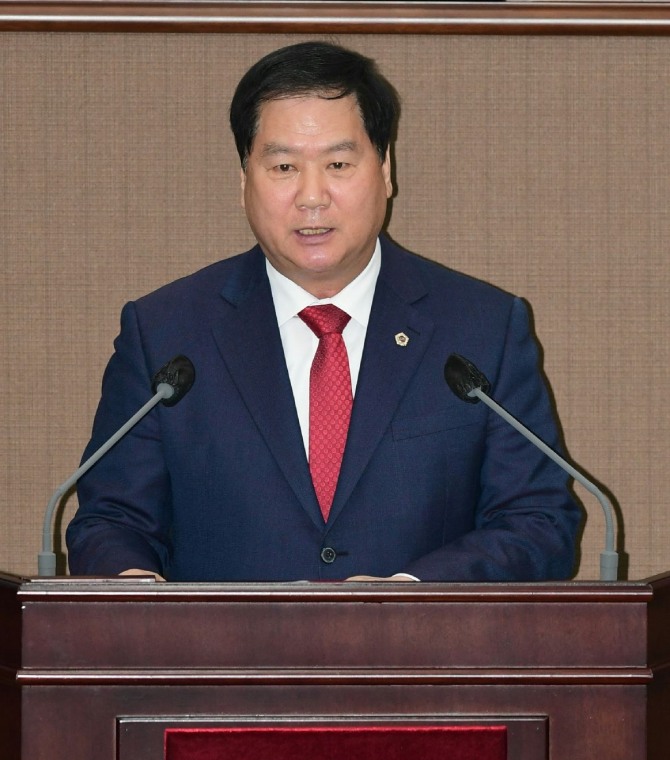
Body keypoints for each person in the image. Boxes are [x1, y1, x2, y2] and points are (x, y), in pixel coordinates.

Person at [66, 40, 581, 583]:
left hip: (418, 640)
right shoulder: (166, 335)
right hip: (221, 643)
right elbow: (110, 519)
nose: (312, 196)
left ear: (385, 169)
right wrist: (131, 590)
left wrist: (414, 598)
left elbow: (539, 521)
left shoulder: (482, 329)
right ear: (244, 180)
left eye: (338, 163)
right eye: (283, 166)